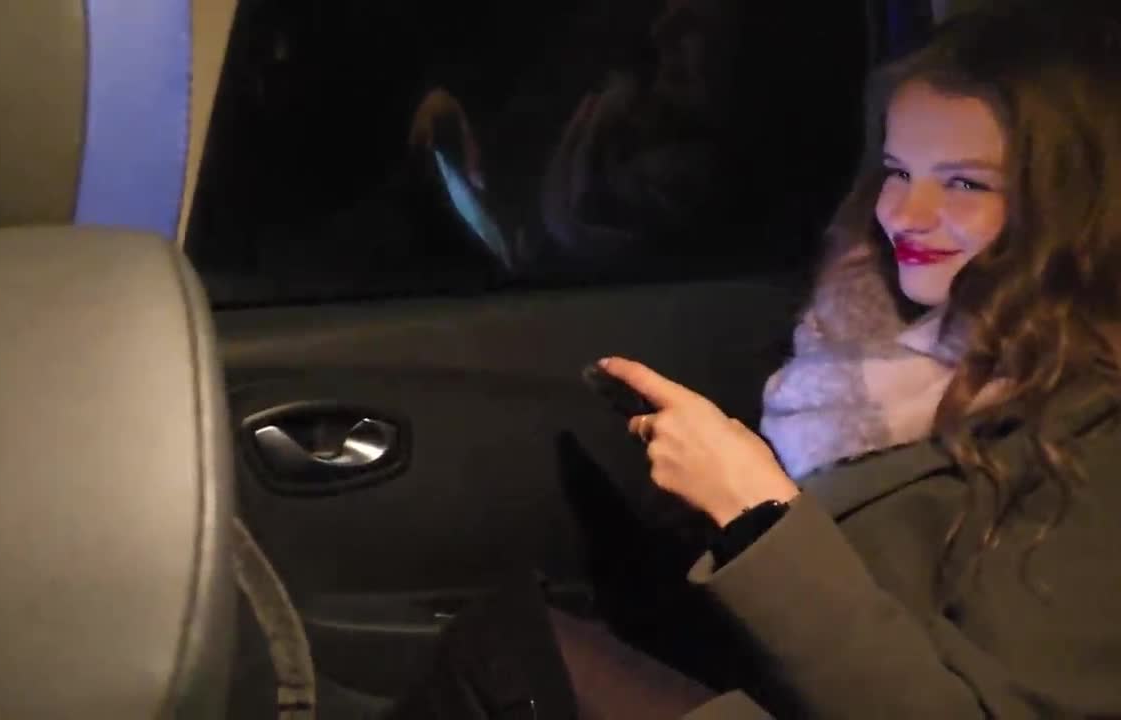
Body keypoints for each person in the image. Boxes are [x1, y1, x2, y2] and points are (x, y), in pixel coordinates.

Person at [389, 2, 1121, 717]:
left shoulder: (1096, 436)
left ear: (1073, 206)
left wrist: (757, 513)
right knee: (519, 636)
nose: (904, 213)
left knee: (506, 652)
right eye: (898, 170)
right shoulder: (884, 346)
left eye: (965, 183)